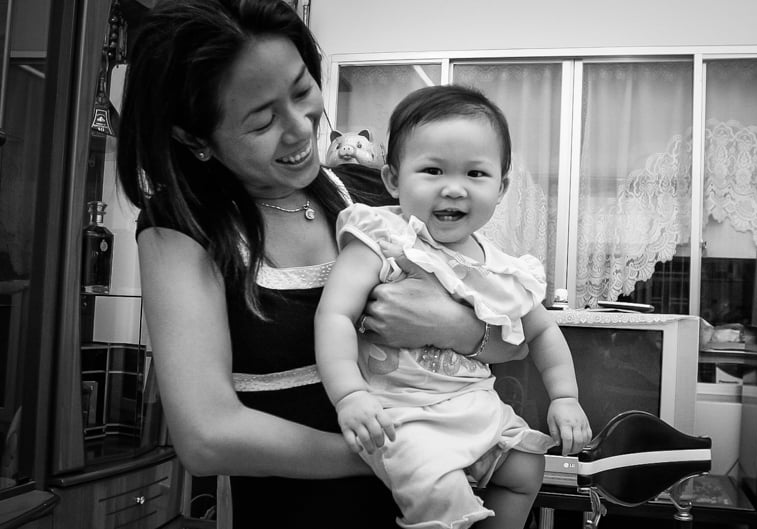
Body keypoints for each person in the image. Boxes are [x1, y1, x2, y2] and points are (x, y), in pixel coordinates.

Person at [115, 2, 523, 527]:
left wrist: (459, 328)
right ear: (194, 138)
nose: (299, 128)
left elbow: (519, 340)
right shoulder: (183, 228)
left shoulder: (375, 197)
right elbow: (207, 437)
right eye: (262, 121)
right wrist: (412, 459)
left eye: (303, 90)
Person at [315, 85, 592, 529]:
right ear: (392, 179)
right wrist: (349, 394)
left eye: (476, 174)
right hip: (400, 414)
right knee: (439, 492)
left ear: (501, 187)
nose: (454, 189)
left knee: (526, 468)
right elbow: (335, 315)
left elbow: (541, 331)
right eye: (432, 170)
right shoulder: (383, 239)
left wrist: (565, 397)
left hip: (474, 403)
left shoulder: (503, 269)